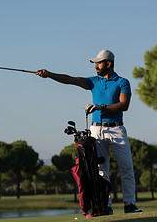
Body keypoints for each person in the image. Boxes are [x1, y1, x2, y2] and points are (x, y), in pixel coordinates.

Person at [36, 49, 142, 215]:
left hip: (116, 129)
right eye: (95, 64)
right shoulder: (94, 82)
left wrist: (101, 107)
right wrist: (49, 74)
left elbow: (124, 105)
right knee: (100, 170)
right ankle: (105, 206)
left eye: (99, 63)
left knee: (126, 168)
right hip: (96, 130)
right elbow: (70, 80)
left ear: (108, 63)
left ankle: (130, 204)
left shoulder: (122, 82)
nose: (96, 67)